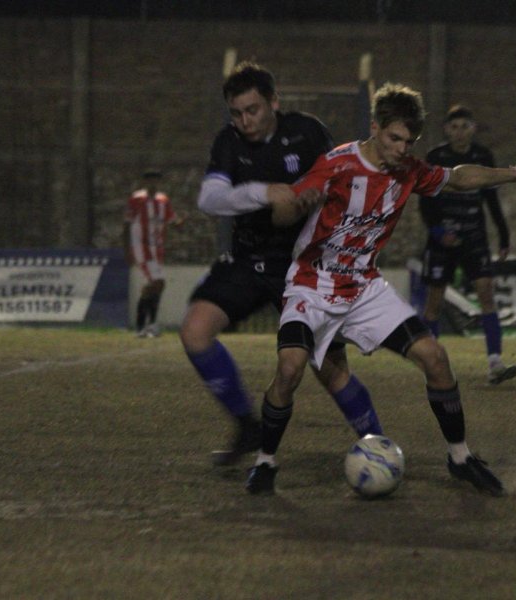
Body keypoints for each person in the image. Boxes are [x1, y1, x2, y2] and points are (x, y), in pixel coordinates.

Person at [245, 83, 516, 497]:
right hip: (311, 284)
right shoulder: (336, 164)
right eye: (394, 138)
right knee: (290, 370)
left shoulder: (409, 170)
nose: (402, 148)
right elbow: (286, 211)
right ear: (374, 127)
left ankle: (460, 457)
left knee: (435, 358)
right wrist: (289, 204)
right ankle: (265, 462)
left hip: (364, 286)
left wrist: (511, 174)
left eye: (409, 141)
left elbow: (456, 179)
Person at [179, 62, 383, 467]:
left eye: (252, 110)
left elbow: (344, 178)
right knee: (195, 330)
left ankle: (376, 442)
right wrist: (264, 192)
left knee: (328, 365)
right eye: (236, 113)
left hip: (304, 264)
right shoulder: (228, 143)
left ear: (274, 102)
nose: (244, 121)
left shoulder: (306, 131)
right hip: (249, 258)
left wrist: (316, 196)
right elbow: (210, 199)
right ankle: (247, 425)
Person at [418, 105, 516, 385]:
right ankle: (431, 363)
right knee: (434, 302)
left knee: (486, 292)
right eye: (454, 126)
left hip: (474, 235)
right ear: (446, 130)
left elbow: (492, 199)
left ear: (473, 129)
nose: (459, 131)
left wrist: (504, 235)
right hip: (443, 238)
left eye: (465, 126)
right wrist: (438, 231)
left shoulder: (483, 156)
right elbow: (425, 201)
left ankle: (495, 363)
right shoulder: (436, 157)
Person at [123, 169, 186, 338]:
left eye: (156, 181)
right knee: (158, 282)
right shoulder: (137, 199)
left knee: (153, 287)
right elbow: (127, 225)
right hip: (141, 248)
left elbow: (172, 220)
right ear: (144, 183)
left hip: (157, 249)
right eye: (150, 180)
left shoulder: (163, 200)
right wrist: (127, 249)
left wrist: (181, 224)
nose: (153, 184)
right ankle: (148, 325)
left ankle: (144, 326)